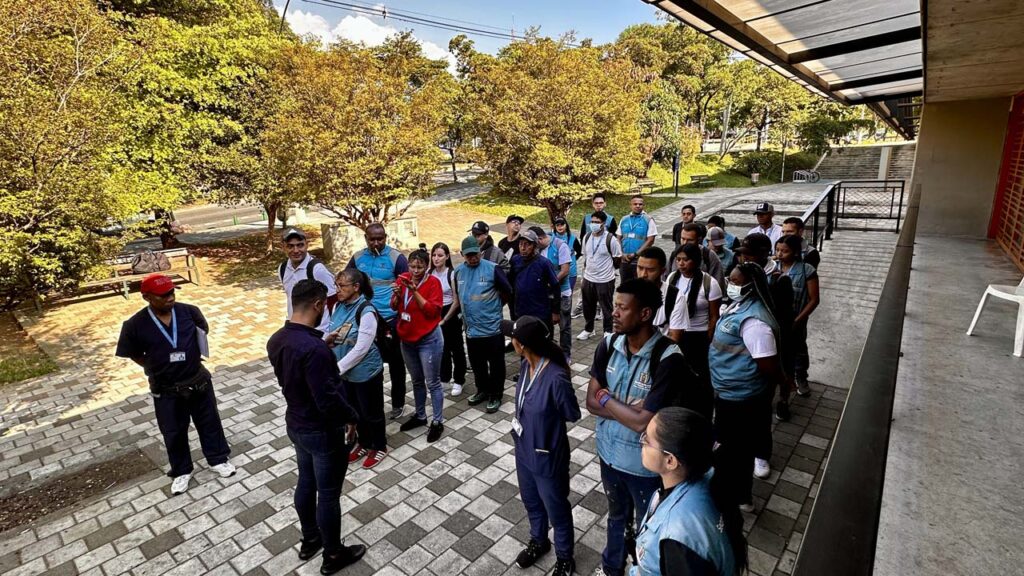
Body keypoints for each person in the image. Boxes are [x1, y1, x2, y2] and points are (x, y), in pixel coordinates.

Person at [586, 279, 711, 576]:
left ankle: (641, 569)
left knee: (647, 525)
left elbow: (645, 423)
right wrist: (624, 408)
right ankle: (611, 567)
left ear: (644, 314)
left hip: (645, 468)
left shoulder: (668, 358)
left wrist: (608, 398)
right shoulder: (608, 344)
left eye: (621, 308)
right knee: (616, 516)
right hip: (609, 455)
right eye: (614, 306)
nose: (614, 313)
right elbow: (590, 402)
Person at [266, 280, 365, 573]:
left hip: (296, 425)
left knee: (306, 482)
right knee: (329, 493)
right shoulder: (314, 350)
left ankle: (310, 538)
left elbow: (299, 367)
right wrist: (351, 417)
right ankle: (333, 554)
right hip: (321, 431)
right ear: (319, 305)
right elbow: (327, 399)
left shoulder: (277, 340)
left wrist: (322, 344)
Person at [115, 274, 235, 495]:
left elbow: (202, 331)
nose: (170, 298)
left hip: (197, 381)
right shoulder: (135, 325)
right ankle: (181, 471)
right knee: (173, 431)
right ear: (147, 297)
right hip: (166, 388)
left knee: (209, 422)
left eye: (172, 292)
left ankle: (218, 459)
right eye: (163, 295)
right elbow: (131, 352)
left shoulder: (189, 311)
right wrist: (154, 365)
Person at [504, 316, 580, 576]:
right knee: (531, 502)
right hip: (524, 450)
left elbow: (572, 413)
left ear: (522, 344)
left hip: (547, 455)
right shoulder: (526, 366)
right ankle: (539, 540)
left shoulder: (556, 377)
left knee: (556, 509)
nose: (510, 340)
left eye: (512, 338)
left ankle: (564, 557)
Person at [710, 263, 789, 513]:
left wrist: (783, 383)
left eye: (734, 281)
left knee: (736, 450)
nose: (730, 285)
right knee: (729, 445)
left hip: (742, 397)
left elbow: (768, 364)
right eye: (729, 279)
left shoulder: (755, 323)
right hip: (728, 391)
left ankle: (739, 496)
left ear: (750, 286)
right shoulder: (739, 306)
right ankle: (731, 489)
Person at [632, 407, 746, 576]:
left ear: (670, 461)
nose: (641, 441)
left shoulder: (677, 538)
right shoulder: (709, 477)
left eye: (647, 440)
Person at [734, 234, 795, 479]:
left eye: (748, 254)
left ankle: (761, 454)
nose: (743, 258)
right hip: (742, 352)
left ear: (763, 254)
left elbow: (784, 323)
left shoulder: (779, 281)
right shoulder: (741, 273)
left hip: (766, 350)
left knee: (761, 408)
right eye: (742, 254)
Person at [325, 269, 388, 470]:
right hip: (346, 374)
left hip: (365, 372)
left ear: (356, 287)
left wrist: (338, 368)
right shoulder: (337, 305)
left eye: (342, 286)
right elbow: (332, 332)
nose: (338, 290)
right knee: (355, 411)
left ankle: (379, 446)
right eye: (337, 285)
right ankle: (363, 442)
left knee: (372, 412)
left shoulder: (366, 311)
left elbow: (361, 348)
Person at [346, 223, 409, 420]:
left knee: (397, 363)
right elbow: (346, 280)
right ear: (365, 238)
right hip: (366, 319)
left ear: (386, 237)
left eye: (380, 238)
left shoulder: (396, 258)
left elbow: (406, 287)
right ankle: (374, 405)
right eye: (372, 239)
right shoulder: (358, 258)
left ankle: (398, 403)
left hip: (390, 320)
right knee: (371, 362)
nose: (376, 242)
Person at [444, 236, 513, 414]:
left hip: (492, 328)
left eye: (475, 254)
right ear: (462, 255)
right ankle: (482, 390)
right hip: (472, 330)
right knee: (477, 364)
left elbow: (507, 291)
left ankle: (496, 394)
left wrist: (495, 307)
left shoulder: (492, 269)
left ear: (481, 253)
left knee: (496, 364)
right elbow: (458, 298)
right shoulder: (458, 272)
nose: (473, 258)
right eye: (468, 256)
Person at [391, 249, 445, 442]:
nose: (415, 270)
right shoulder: (403, 278)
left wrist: (414, 291)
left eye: (419, 267)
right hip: (407, 339)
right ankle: (420, 415)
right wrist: (397, 294)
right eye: (412, 266)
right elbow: (394, 306)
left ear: (427, 266)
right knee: (416, 381)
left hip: (428, 339)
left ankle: (437, 421)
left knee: (433, 382)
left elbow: (432, 312)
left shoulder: (433, 283)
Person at [667, 244, 723, 395]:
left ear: (696, 261)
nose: (681, 264)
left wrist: (708, 339)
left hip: (698, 335)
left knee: (699, 374)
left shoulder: (709, 283)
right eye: (678, 260)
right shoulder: (673, 278)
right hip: (675, 332)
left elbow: (714, 316)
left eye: (685, 260)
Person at [775, 235, 820, 397]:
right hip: (776, 320)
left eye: (784, 251)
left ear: (795, 252)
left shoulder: (806, 269)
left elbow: (814, 299)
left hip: (796, 319)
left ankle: (801, 377)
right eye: (778, 250)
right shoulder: (773, 267)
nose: (780, 254)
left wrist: (798, 320)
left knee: (799, 350)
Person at [280, 228, 336, 333]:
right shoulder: (282, 269)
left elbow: (333, 300)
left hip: (319, 331)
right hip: (297, 329)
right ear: (283, 247)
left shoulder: (317, 269)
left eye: (300, 245)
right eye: (290, 246)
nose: (296, 250)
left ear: (307, 244)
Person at [577, 211, 622, 341]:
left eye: (597, 222)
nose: (594, 225)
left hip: (605, 279)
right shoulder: (586, 237)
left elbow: (617, 258)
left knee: (606, 307)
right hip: (588, 278)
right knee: (587, 305)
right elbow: (586, 256)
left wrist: (609, 270)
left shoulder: (611, 239)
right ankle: (588, 329)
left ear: (603, 224)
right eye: (592, 222)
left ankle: (608, 331)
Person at [430, 243, 467, 396]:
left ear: (447, 257)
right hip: (435, 313)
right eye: (434, 255)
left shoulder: (451, 273)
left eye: (440, 255)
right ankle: (444, 378)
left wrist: (445, 319)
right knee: (441, 348)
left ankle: (459, 380)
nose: (436, 258)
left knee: (456, 348)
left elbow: (456, 299)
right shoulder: (430, 273)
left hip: (450, 312)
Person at [510, 229, 562, 334]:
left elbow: (555, 287)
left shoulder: (544, 263)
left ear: (534, 246)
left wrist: (556, 312)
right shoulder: (515, 260)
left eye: (527, 244)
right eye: (521, 244)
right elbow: (510, 282)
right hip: (521, 312)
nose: (523, 248)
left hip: (540, 313)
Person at [535, 226, 574, 358]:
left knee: (564, 326)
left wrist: (551, 282)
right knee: (545, 326)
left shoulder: (560, 245)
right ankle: (547, 354)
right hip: (544, 295)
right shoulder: (538, 250)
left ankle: (565, 355)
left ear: (540, 239)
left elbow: (565, 270)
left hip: (562, 293)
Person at [618, 195, 658, 283]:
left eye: (640, 204)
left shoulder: (648, 220)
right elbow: (618, 237)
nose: (637, 206)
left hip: (640, 260)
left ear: (643, 205)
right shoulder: (624, 219)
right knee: (625, 285)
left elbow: (650, 240)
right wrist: (621, 254)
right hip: (624, 260)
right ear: (630, 205)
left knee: (639, 285)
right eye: (635, 204)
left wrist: (636, 254)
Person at [678, 223, 725, 290]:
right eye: (683, 239)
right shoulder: (675, 255)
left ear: (699, 239)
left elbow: (718, 285)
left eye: (690, 240)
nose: (685, 243)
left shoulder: (709, 256)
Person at [636, 247, 671, 334]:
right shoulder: (628, 294)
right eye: (640, 268)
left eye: (650, 270)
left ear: (662, 271)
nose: (643, 274)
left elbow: (675, 336)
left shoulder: (675, 297)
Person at [552, 216, 582, 291]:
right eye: (557, 225)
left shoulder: (573, 238)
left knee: (568, 294)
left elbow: (579, 252)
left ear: (566, 225)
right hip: (555, 272)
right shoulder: (551, 238)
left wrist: (572, 260)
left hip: (570, 272)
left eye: (562, 224)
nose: (560, 227)